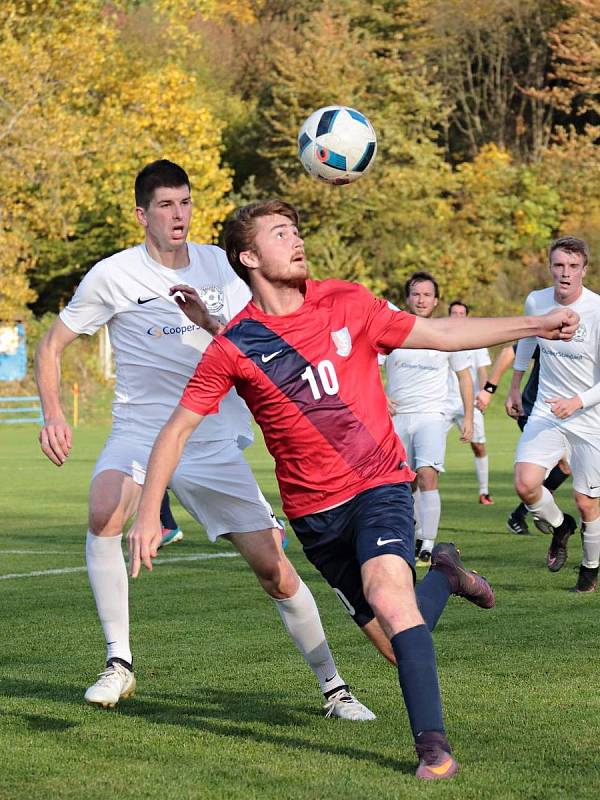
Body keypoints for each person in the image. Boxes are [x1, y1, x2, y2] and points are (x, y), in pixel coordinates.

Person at [127, 199, 577, 779]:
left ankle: (434, 751)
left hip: (380, 484)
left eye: (296, 230)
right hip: (316, 518)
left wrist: (536, 325)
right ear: (248, 257)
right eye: (280, 233)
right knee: (400, 646)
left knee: (390, 598)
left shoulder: (346, 300)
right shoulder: (233, 345)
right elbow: (175, 430)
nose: (296, 240)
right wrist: (146, 513)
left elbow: (441, 332)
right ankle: (444, 574)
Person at [34, 161, 373, 720]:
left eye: (186, 203)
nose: (179, 215)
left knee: (274, 571)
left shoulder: (221, 265)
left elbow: (257, 341)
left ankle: (334, 687)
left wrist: (210, 322)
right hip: (140, 433)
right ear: (143, 214)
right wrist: (53, 413)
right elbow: (51, 346)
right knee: (103, 513)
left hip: (209, 437)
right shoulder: (113, 275)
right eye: (166, 205)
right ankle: (119, 661)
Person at [505, 236, 600, 589]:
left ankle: (590, 568)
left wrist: (578, 402)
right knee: (525, 484)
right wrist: (515, 385)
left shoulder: (597, 310)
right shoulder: (537, 301)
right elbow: (528, 340)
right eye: (559, 265)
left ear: (584, 270)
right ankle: (561, 527)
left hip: (590, 417)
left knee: (587, 503)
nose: (565, 273)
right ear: (550, 267)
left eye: (573, 266)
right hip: (546, 409)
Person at [384, 274, 474, 565]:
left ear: (436, 301)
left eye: (427, 295)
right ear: (408, 298)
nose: (421, 299)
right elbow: (368, 367)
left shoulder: (446, 333)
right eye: (416, 294)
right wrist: (380, 398)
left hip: (432, 415)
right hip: (398, 417)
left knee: (426, 474)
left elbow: (464, 377)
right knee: (403, 482)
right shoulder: (393, 330)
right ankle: (409, 533)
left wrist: (469, 417)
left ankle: (427, 543)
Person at [476, 345, 570, 535]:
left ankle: (527, 513)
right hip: (534, 410)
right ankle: (535, 513)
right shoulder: (557, 330)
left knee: (566, 466)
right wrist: (489, 390)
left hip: (566, 414)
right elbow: (509, 352)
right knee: (559, 463)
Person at [444, 301, 493, 504]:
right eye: (453, 313)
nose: (457, 316)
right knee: (427, 450)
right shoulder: (440, 337)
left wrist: (483, 393)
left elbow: (482, 370)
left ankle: (484, 491)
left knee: (479, 446)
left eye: (461, 313)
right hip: (442, 403)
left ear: (467, 316)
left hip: (468, 403)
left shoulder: (476, 341)